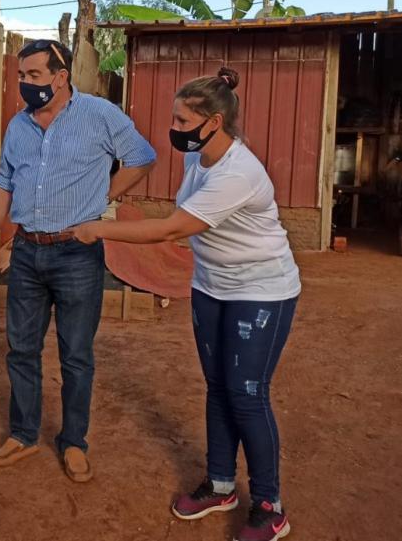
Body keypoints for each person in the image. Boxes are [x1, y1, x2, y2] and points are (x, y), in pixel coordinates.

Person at [72, 67, 299, 541]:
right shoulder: (199, 159)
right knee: (218, 386)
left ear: (214, 122)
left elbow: (175, 228)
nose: (172, 130)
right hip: (212, 285)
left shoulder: (240, 172)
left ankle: (269, 504)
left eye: (180, 122)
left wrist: (99, 228)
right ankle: (220, 485)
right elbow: (180, 217)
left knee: (247, 393)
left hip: (261, 290)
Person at [0, 39, 156, 483]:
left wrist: (104, 196)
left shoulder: (100, 115)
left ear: (61, 77)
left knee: (76, 355)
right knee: (21, 349)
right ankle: (23, 433)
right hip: (25, 251)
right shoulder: (18, 126)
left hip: (77, 254)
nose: (25, 84)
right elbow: (4, 182)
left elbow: (141, 157)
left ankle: (74, 441)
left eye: (34, 76)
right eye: (22, 76)